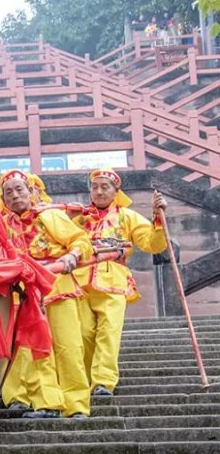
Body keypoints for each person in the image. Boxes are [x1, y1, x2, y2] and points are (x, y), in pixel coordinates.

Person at [0, 170, 94, 419]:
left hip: (57, 287)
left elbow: (80, 239)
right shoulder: (1, 226)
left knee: (68, 347)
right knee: (34, 350)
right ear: (3, 199)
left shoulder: (49, 216)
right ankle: (47, 403)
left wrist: (73, 255)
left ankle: (77, 405)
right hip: (24, 294)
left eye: (20, 189)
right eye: (8, 192)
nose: (15, 195)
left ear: (32, 193)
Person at [72, 169, 168, 396]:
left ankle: (103, 381)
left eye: (105, 187)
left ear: (116, 191)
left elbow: (153, 244)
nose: (99, 191)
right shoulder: (80, 218)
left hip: (113, 281)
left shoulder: (128, 216)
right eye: (95, 187)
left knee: (109, 332)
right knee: (83, 333)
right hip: (80, 283)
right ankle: (85, 379)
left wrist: (158, 219)